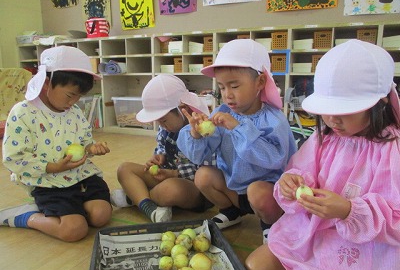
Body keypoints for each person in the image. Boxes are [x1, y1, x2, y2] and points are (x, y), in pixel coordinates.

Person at [245, 40, 400, 270]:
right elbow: (300, 170)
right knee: (252, 269)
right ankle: (306, 268)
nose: (331, 119)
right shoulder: (326, 136)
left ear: (379, 101)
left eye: (343, 110)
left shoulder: (391, 148)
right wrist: (291, 183)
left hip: (360, 248)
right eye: (326, 109)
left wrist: (349, 211)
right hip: (308, 232)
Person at [177, 39, 297, 242]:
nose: (227, 95)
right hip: (234, 189)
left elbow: (273, 159)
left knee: (257, 191)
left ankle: (271, 222)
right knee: (203, 176)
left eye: (234, 86)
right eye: (222, 88)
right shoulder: (222, 112)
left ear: (259, 82)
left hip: (266, 193)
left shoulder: (273, 119)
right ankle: (231, 211)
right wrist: (196, 135)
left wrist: (238, 128)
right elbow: (199, 155)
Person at [0, 46, 112, 242]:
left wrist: (91, 148)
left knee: (101, 215)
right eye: (70, 95)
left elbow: (84, 140)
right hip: (48, 182)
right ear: (46, 82)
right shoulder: (23, 113)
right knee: (74, 230)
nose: (74, 102)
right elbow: (13, 158)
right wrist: (53, 167)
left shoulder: (74, 111)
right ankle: (27, 217)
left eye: (79, 96)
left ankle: (72, 207)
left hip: (81, 175)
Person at [111, 74, 213, 222]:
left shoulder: (202, 128)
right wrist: (160, 156)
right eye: (158, 122)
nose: (162, 125)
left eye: (164, 120)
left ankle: (135, 197)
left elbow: (206, 171)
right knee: (124, 169)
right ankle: (148, 206)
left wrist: (173, 174)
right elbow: (161, 145)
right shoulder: (166, 127)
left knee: (170, 190)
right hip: (165, 176)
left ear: (182, 109)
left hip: (193, 189)